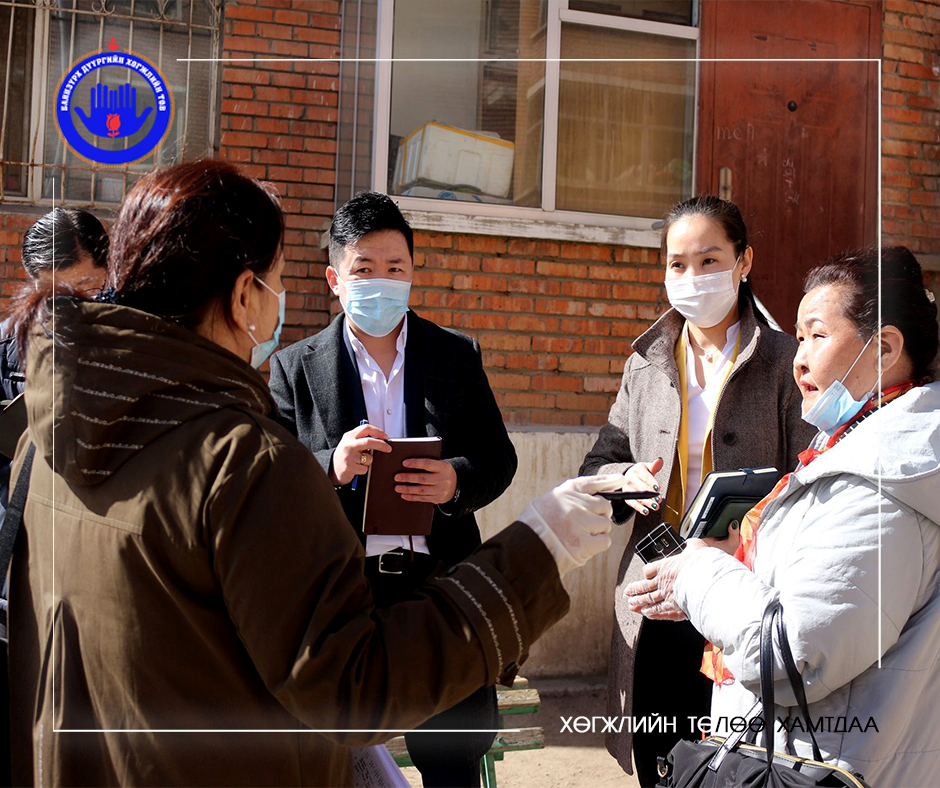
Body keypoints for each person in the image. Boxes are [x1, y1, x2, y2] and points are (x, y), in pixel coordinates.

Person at [5, 159, 628, 787]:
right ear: (244, 296)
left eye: (396, 268)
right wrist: (541, 545)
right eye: (277, 280)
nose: (281, 300)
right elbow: (353, 687)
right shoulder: (242, 458)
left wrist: (455, 481)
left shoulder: (45, 437)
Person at [624, 245, 940, 786]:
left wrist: (698, 573)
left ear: (884, 349)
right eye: (798, 337)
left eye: (817, 335)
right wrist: (738, 564)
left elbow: (794, 657)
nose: (799, 358)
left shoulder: (878, 484)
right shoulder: (857, 454)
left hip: (824, 764)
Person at [268, 192, 514, 787]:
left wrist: (454, 480)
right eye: (364, 269)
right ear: (334, 279)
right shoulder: (293, 368)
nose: (380, 281)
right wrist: (331, 466)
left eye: (394, 268)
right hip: (343, 596)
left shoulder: (454, 355)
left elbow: (498, 459)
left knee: (452, 763)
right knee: (337, 763)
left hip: (440, 590)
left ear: (412, 274)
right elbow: (271, 480)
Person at [579, 195, 816, 784]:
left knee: (732, 764)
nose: (692, 277)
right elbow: (600, 465)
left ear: (744, 262)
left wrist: (748, 535)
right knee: (659, 759)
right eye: (677, 264)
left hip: (742, 594)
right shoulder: (647, 363)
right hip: (654, 592)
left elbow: (810, 477)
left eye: (710, 260)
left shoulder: (786, 363)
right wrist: (622, 481)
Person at [0, 208, 107, 786]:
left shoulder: (125, 344)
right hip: (20, 548)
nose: (70, 307)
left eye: (87, 288)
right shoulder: (6, 346)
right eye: (52, 294)